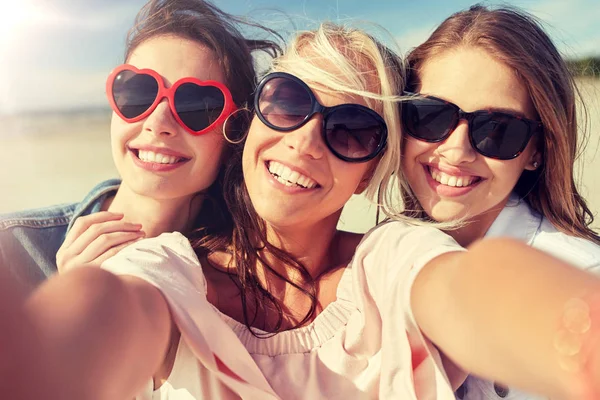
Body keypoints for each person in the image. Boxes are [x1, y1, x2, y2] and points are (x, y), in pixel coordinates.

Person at [4, 22, 600, 400]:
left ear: (373, 169)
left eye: (351, 128)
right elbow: (112, 314)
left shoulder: (392, 262)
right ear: (251, 123)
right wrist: (50, 348)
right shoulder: (168, 271)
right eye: (287, 103)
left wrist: (576, 333)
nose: (306, 142)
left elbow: (473, 287)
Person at [0, 0, 281, 291]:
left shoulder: (249, 282)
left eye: (197, 105)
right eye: (138, 92)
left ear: (234, 132)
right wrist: (67, 308)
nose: (157, 123)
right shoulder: (12, 251)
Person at [398, 5, 600, 400]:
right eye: (430, 115)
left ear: (536, 151)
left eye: (498, 130)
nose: (456, 151)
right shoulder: (376, 259)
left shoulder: (580, 274)